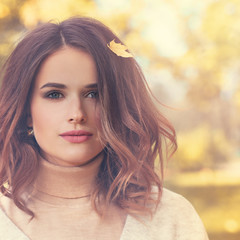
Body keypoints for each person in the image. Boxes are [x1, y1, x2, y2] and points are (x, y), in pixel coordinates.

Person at [0, 17, 208, 240]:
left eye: (94, 94)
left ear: (118, 106)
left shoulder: (171, 216)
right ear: (26, 112)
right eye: (55, 94)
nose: (77, 114)